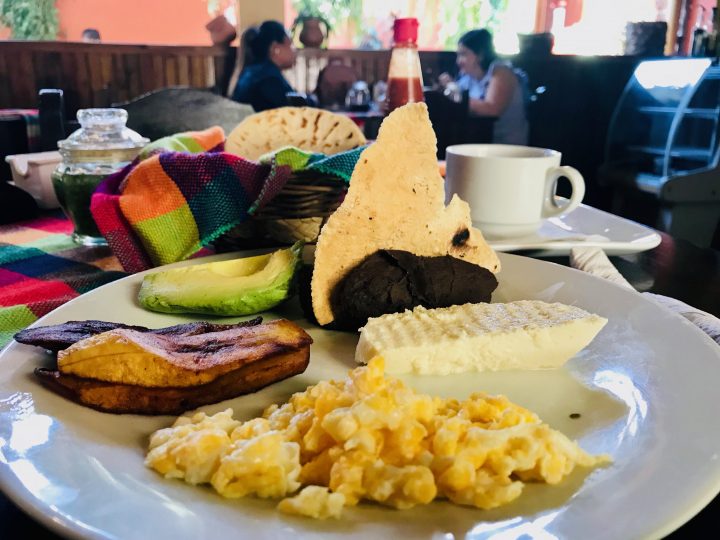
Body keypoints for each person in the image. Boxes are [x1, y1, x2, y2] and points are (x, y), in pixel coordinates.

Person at [442, 29, 529, 145]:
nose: (458, 61)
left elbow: (492, 110)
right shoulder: (469, 77)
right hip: (480, 141)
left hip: (506, 148)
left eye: (463, 54)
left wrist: (453, 90)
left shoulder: (501, 72)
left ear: (480, 55)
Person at [231, 21, 297, 112]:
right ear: (275, 49)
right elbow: (292, 113)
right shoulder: (269, 80)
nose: (294, 51)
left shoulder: (255, 72)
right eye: (291, 45)